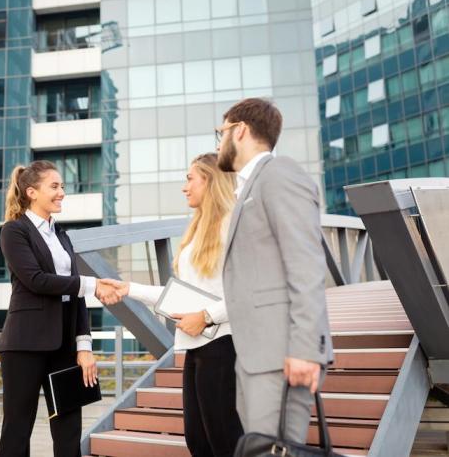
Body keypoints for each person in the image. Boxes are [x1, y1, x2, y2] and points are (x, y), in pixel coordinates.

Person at [106, 153, 244, 457]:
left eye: (190, 178)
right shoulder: (197, 232)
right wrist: (129, 288)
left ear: (209, 180)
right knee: (198, 440)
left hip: (223, 344)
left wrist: (207, 316)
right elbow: (180, 296)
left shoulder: (232, 227)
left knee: (225, 441)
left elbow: (249, 290)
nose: (185, 187)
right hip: (197, 347)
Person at [214, 98, 333, 443]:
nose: (218, 143)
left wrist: (306, 349)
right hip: (258, 354)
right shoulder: (251, 186)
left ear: (240, 131)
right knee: (260, 449)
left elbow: (307, 264)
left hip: (282, 353)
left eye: (220, 133)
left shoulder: (279, 175)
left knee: (273, 451)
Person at [0, 160, 123, 457]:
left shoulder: (62, 236)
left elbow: (75, 294)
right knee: (17, 429)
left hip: (64, 346)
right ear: (31, 192)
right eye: (54, 186)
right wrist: (92, 285)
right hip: (24, 345)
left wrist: (84, 346)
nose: (62, 192)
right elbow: (37, 281)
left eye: (62, 186)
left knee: (69, 429)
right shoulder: (14, 231)